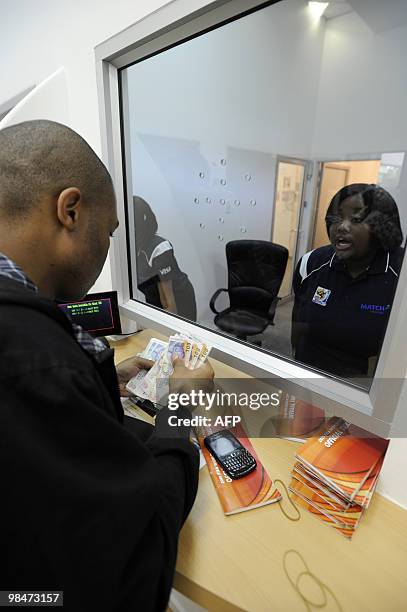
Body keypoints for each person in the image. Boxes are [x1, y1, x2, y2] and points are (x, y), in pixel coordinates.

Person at [0, 120, 213, 611]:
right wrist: (180, 407)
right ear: (70, 211)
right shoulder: (32, 361)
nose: (109, 248)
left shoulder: (31, 339)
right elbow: (130, 578)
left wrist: (93, 375)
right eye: (110, 231)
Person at [292, 183, 404, 378]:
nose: (342, 227)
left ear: (381, 226)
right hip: (307, 377)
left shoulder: (400, 274)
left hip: (362, 390)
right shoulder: (311, 263)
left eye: (356, 219)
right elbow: (298, 326)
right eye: (336, 218)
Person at [134, 196, 197, 321]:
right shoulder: (130, 247)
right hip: (154, 296)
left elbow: (168, 302)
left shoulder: (160, 249)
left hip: (179, 298)